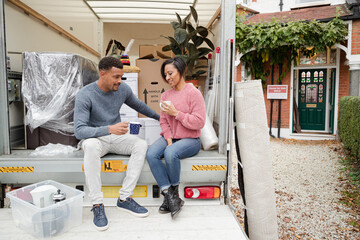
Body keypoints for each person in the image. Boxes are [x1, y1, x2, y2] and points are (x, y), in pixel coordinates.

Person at [74, 56, 160, 231]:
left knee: (140, 144)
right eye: (116, 77)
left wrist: (162, 118)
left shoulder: (122, 90)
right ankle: (97, 204)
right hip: (96, 139)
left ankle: (124, 198)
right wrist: (109, 129)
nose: (120, 81)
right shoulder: (85, 95)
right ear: (103, 73)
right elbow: (80, 131)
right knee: (89, 146)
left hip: (116, 137)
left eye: (121, 76)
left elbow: (140, 106)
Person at [146, 57, 206, 219]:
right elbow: (163, 121)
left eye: (170, 73)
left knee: (170, 153)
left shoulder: (194, 93)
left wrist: (176, 114)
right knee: (151, 154)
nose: (168, 78)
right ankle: (170, 196)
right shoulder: (165, 95)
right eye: (165, 75)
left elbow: (199, 122)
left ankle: (174, 192)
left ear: (181, 70)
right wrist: (169, 139)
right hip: (172, 138)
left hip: (191, 139)